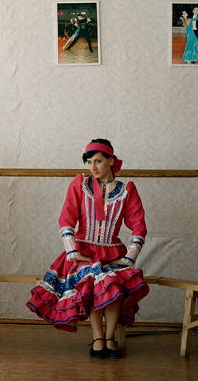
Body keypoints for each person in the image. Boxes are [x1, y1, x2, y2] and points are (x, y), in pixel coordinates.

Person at [26, 139, 149, 359]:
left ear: (111, 161)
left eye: (98, 161)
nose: (93, 167)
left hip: (113, 251)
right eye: (89, 162)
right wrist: (72, 252)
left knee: (114, 284)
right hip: (83, 252)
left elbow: (139, 226)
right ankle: (97, 337)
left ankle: (110, 338)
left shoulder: (126, 190)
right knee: (93, 280)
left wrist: (130, 257)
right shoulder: (79, 185)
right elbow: (66, 220)